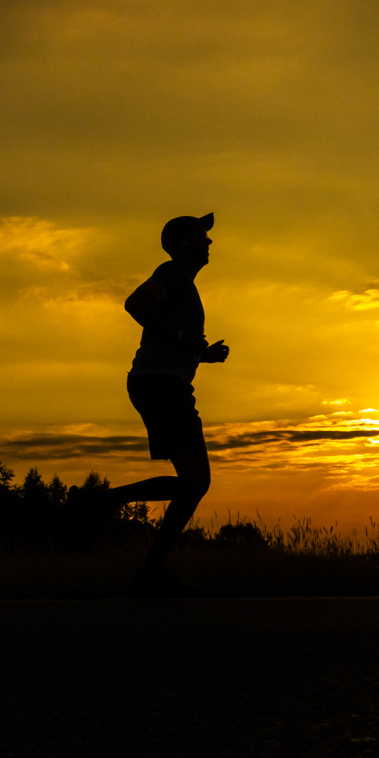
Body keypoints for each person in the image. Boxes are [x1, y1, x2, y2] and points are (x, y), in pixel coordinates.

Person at [77, 212, 229, 592]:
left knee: (195, 483)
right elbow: (136, 304)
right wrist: (181, 336)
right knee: (195, 481)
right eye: (201, 236)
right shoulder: (173, 272)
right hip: (160, 385)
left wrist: (200, 355)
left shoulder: (184, 284)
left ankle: (149, 569)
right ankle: (101, 509)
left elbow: (169, 339)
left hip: (166, 384)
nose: (209, 242)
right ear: (182, 243)